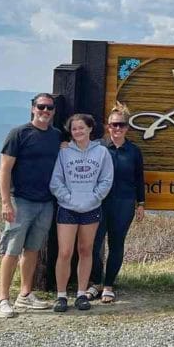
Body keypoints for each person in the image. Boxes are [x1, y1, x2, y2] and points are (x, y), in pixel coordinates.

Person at [0, 93, 62, 318]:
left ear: (54, 111)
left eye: (49, 107)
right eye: (41, 107)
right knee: (12, 250)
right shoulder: (19, 134)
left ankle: (25, 295)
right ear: (33, 108)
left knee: (33, 249)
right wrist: (6, 202)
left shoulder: (55, 136)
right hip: (20, 201)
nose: (45, 111)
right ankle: (3, 299)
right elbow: (5, 168)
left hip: (46, 201)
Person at [50, 113, 114, 312]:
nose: (78, 131)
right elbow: (56, 180)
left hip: (91, 208)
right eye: (74, 128)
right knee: (65, 252)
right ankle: (61, 295)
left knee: (86, 251)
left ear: (90, 129)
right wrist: (67, 198)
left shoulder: (102, 152)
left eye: (81, 128)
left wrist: (94, 197)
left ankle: (81, 293)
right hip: (67, 208)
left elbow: (106, 180)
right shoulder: (64, 152)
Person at [86, 103, 146, 304]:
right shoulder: (99, 148)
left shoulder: (134, 151)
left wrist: (141, 204)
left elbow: (139, 178)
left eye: (121, 125)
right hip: (99, 203)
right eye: (113, 125)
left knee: (116, 245)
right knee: (93, 245)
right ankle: (95, 283)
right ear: (107, 127)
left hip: (124, 203)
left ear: (127, 127)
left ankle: (109, 285)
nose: (117, 129)